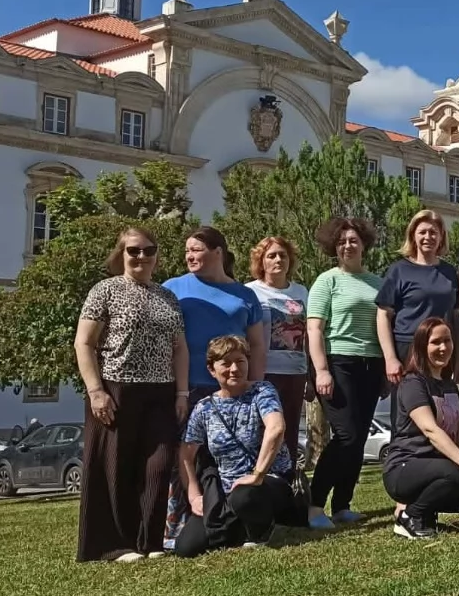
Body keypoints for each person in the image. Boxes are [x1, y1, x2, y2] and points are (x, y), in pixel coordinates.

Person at [74, 228, 188, 563]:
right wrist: (96, 391)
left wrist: (181, 392)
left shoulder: (167, 297)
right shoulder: (105, 290)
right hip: (116, 387)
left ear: (157, 254)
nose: (141, 257)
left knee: (158, 464)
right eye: (133, 251)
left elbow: (179, 348)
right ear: (121, 254)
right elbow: (84, 343)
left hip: (161, 390)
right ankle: (114, 545)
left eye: (148, 250)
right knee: (115, 467)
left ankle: (150, 541)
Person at [162, 226, 265, 549]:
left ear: (218, 252)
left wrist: (256, 387)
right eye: (187, 251)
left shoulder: (245, 295)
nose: (190, 256)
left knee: (229, 459)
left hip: (233, 391)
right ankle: (177, 525)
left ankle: (233, 521)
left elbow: (258, 345)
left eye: (197, 249)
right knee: (186, 456)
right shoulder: (173, 288)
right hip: (186, 387)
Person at [174, 336, 305, 556]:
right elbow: (186, 454)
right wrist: (194, 496)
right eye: (226, 363)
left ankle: (263, 530)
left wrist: (257, 474)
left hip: (269, 482)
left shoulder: (262, 391)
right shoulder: (203, 409)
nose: (235, 369)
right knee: (187, 547)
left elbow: (276, 428)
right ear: (211, 369)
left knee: (244, 495)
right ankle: (240, 528)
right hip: (226, 491)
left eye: (240, 361)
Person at [383, 318, 459, 539]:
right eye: (436, 342)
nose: (443, 347)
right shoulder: (412, 383)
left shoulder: (450, 385)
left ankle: (426, 510)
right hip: (405, 467)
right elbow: (431, 431)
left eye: (447, 341)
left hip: (440, 468)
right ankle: (410, 516)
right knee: (454, 474)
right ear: (421, 346)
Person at [306, 217, 386, 529]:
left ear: (364, 244)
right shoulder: (327, 281)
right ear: (334, 247)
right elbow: (314, 328)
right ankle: (314, 505)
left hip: (371, 365)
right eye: (342, 242)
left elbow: (382, 329)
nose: (348, 246)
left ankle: (342, 505)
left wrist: (384, 370)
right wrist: (321, 370)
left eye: (353, 240)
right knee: (346, 435)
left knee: (359, 437)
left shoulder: (378, 283)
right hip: (338, 364)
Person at [377, 210, 459, 427]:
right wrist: (390, 358)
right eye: (422, 232)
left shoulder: (449, 272)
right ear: (413, 235)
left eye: (434, 232)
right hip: (408, 348)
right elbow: (384, 314)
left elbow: (455, 316)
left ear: (441, 236)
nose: (428, 237)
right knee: (408, 411)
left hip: (442, 349)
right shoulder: (399, 270)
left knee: (442, 410)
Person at [245, 236, 309, 462]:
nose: (278, 259)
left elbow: (309, 335)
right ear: (261, 261)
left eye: (283, 255)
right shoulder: (250, 292)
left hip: (296, 373)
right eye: (271, 255)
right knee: (264, 431)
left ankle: (288, 485)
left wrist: (310, 375)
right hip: (264, 374)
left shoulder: (302, 292)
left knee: (290, 432)